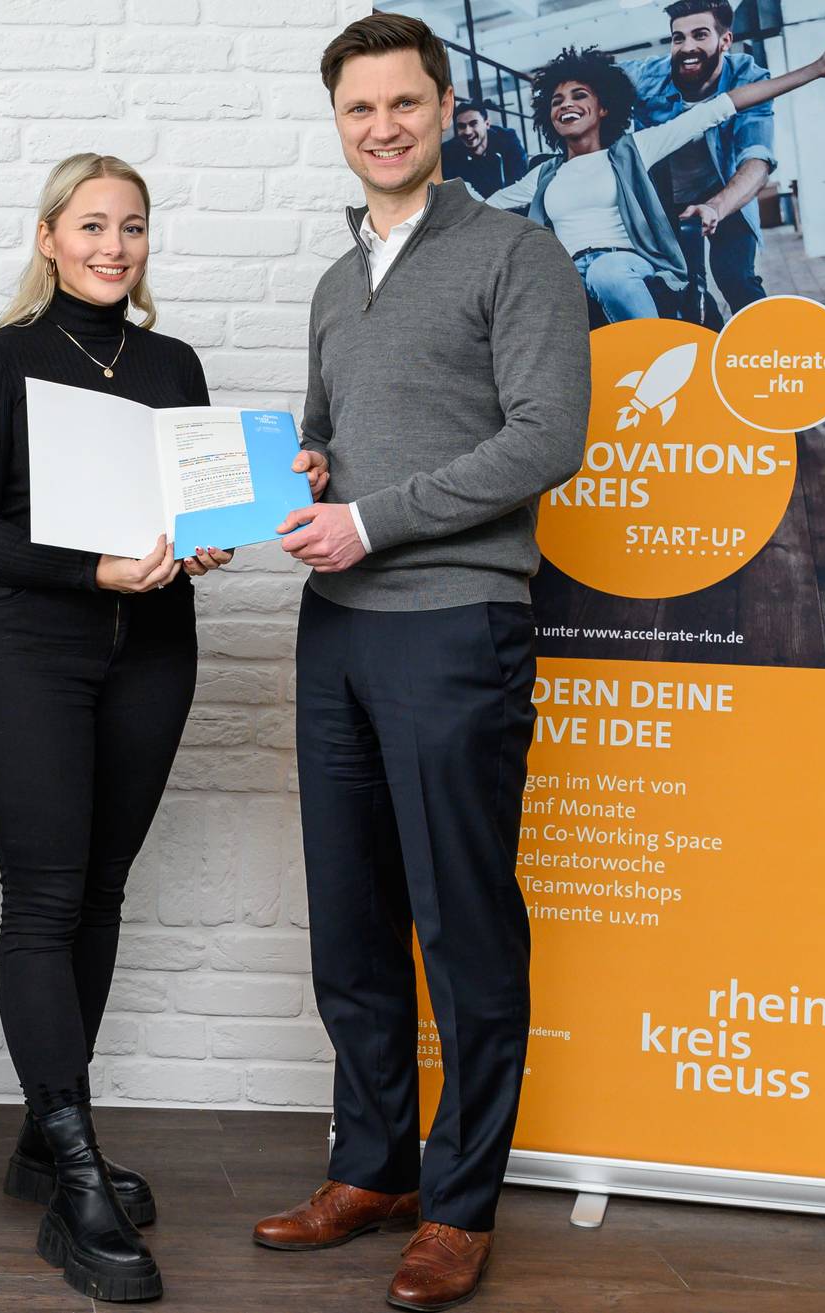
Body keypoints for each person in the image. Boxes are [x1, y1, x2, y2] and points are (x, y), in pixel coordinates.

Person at [249, 15, 589, 1311]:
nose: (382, 126)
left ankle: (459, 1202)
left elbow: (547, 438)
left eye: (404, 103)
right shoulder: (338, 282)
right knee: (351, 918)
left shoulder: (517, 253)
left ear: (446, 111)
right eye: (360, 108)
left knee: (462, 920)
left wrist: (372, 518)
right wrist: (311, 472)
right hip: (336, 627)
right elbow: (327, 436)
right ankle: (374, 1166)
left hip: (456, 623)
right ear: (337, 123)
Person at [0, 152, 226, 1305]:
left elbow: (192, 507)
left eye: (133, 227)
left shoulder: (172, 363)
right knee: (46, 897)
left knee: (101, 890)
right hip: (32, 650)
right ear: (50, 236)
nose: (114, 246)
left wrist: (207, 534)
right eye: (93, 225)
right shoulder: (1, 358)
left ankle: (42, 1139)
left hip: (153, 649)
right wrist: (90, 568)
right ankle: (74, 1162)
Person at [480, 32, 825, 323]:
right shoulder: (544, 173)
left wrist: (817, 69)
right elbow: (481, 207)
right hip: (568, 271)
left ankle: (655, 356)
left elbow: (721, 107)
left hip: (625, 265)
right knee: (532, 297)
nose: (566, 104)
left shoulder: (634, 150)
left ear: (603, 108)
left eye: (579, 95)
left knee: (606, 272)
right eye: (557, 101)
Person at [621, 0, 783, 317]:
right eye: (678, 38)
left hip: (724, 190)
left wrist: (716, 207)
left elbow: (756, 159)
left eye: (700, 35)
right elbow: (593, 78)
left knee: (736, 277)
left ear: (725, 40)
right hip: (668, 198)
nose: (687, 47)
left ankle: (765, 345)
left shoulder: (748, 78)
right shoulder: (648, 76)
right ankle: (706, 340)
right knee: (685, 288)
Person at [440, 100, 528, 198]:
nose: (467, 132)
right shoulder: (449, 152)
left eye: (473, 123)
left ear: (487, 124)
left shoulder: (506, 139)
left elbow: (520, 180)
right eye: (461, 126)